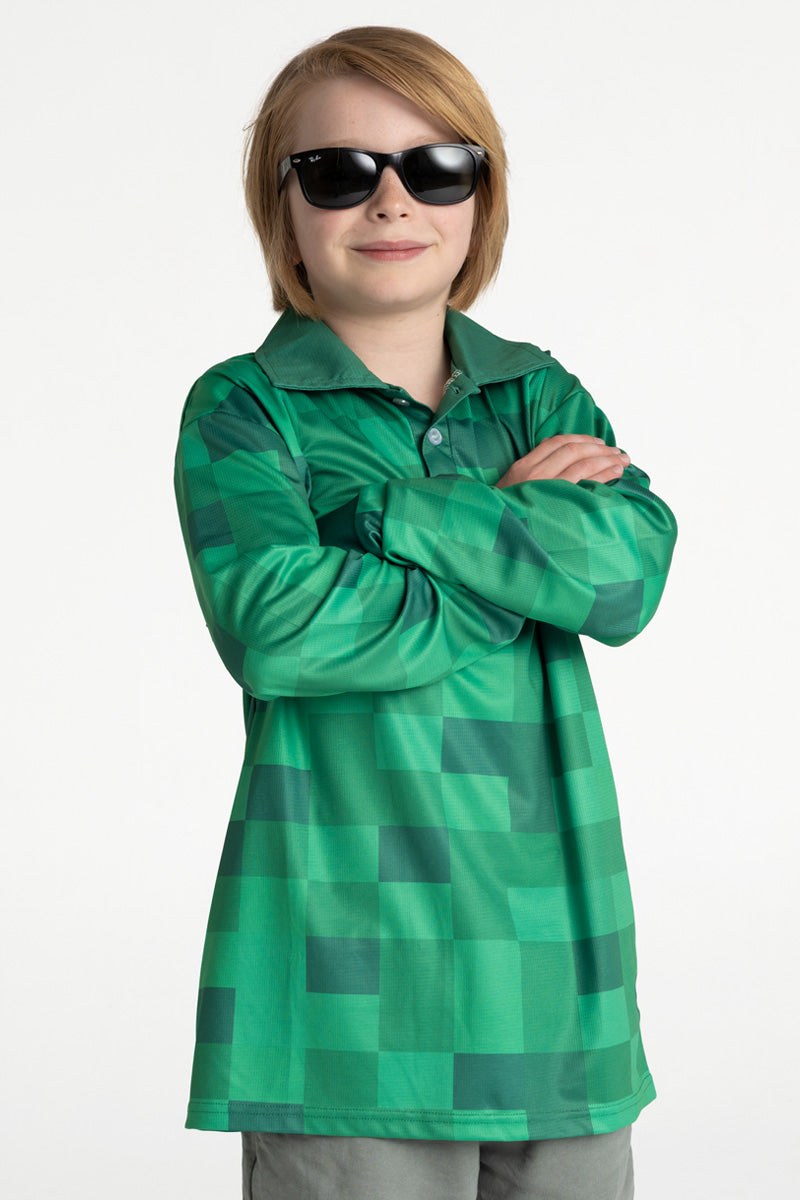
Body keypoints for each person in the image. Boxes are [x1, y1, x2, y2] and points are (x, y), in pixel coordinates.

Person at [174, 25, 677, 1200]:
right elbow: (279, 625)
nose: (391, 200)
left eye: (435, 166)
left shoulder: (537, 391)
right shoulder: (244, 409)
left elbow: (624, 580)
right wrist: (515, 541)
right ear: (282, 207)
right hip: (347, 1010)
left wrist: (387, 518)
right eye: (338, 171)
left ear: (478, 195)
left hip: (560, 999)